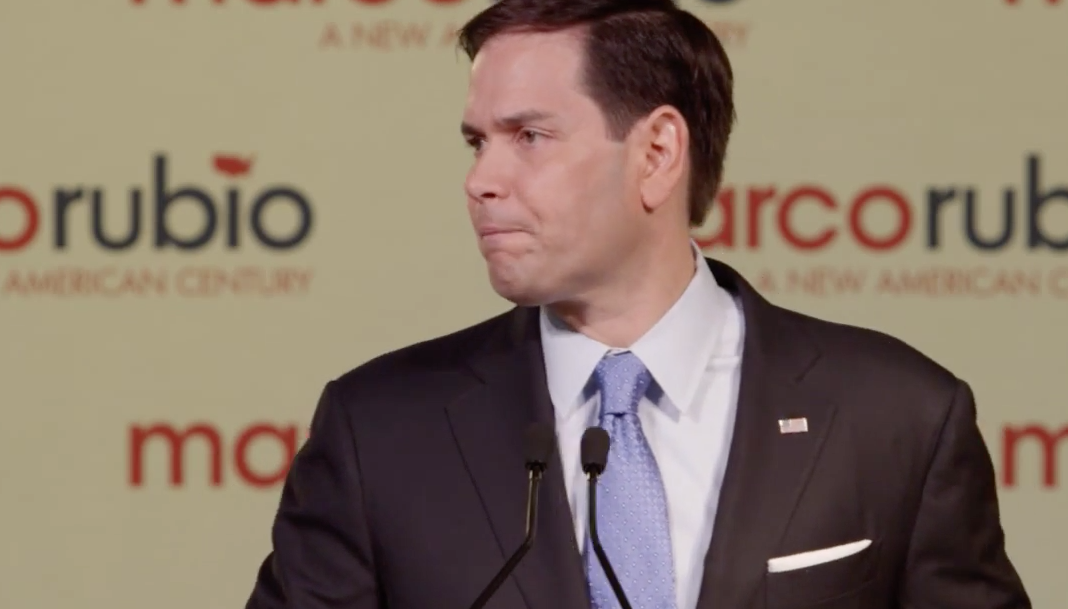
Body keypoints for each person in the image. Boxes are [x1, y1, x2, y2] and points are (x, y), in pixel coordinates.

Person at [244, 0, 1031, 607]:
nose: (481, 180)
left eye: (528, 137)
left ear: (657, 153)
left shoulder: (894, 416)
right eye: (476, 142)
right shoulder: (378, 432)